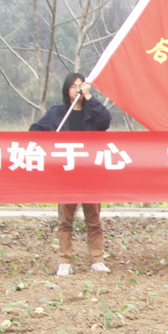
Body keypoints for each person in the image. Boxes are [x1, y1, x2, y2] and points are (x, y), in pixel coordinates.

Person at [30, 73, 112, 277]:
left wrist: (90, 97)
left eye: (80, 86)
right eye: (73, 86)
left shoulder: (92, 112)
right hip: (66, 175)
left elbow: (106, 121)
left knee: (93, 220)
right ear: (67, 90)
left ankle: (97, 260)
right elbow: (35, 131)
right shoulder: (57, 114)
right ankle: (65, 261)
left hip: (89, 173)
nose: (77, 89)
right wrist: (51, 144)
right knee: (65, 221)